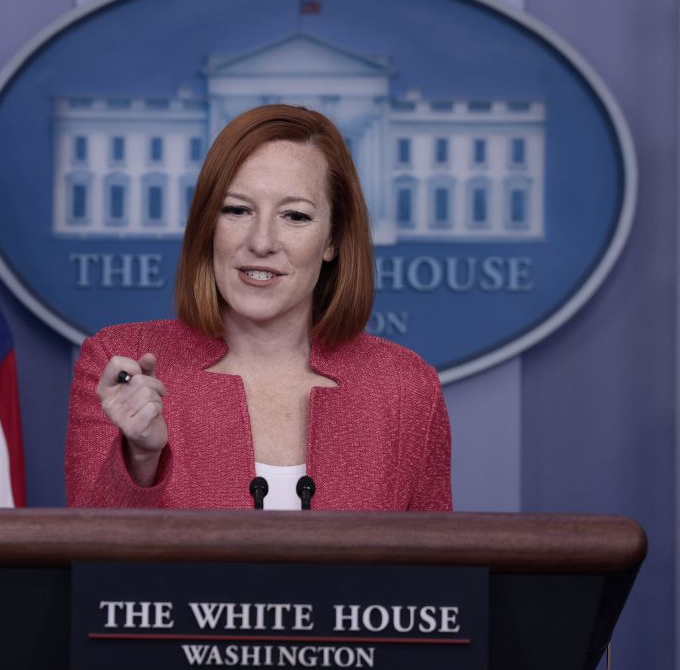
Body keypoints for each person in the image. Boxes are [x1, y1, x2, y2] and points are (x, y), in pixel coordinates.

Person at [65, 105, 452, 510]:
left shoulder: (406, 388)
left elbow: (436, 566)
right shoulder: (120, 364)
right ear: (207, 226)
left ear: (332, 241)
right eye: (237, 210)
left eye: (295, 215)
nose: (262, 241)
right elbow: (92, 556)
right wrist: (140, 459)